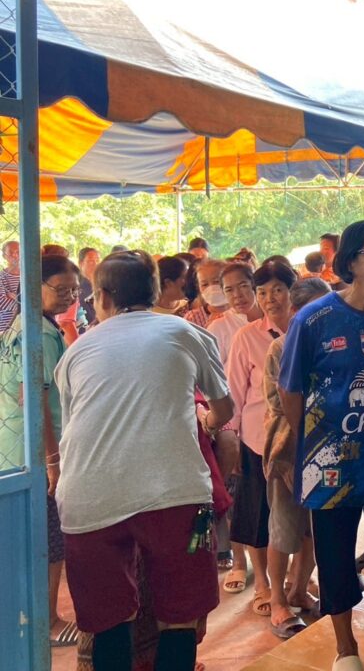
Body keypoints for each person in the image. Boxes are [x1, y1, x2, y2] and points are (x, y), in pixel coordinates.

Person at [55, 250, 234, 671]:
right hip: (174, 491)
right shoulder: (186, 332)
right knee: (180, 616)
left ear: (102, 297)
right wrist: (204, 421)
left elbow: (72, 427)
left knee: (109, 619)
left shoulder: (76, 352)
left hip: (88, 498)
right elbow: (223, 410)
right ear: (155, 293)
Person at [280, 220, 364, 671]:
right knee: (334, 556)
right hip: (329, 462)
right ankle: (345, 648)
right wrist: (317, 439)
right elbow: (290, 391)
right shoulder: (312, 320)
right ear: (351, 261)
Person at [0, 255, 80, 646]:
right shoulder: (43, 335)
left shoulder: (21, 325)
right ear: (35, 287)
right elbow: (36, 399)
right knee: (50, 542)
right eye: (60, 289)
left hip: (13, 446)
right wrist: (53, 462)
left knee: (26, 539)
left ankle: (25, 615)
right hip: (36, 451)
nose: (69, 296)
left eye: (74, 289)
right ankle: (47, 620)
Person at [224, 261, 296, 622]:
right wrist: (233, 438)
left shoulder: (306, 330)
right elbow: (234, 392)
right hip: (257, 440)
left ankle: (297, 581)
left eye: (278, 290)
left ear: (292, 291)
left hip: (299, 442)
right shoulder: (246, 336)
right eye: (263, 292)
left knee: (296, 518)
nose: (270, 299)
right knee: (258, 516)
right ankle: (264, 585)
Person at [263, 278, 331, 638]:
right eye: (315, 310)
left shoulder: (334, 345)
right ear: (297, 312)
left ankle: (299, 589)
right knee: (284, 529)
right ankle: (277, 599)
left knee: (314, 531)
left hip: (327, 452)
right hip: (288, 451)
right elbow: (278, 402)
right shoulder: (281, 347)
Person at [208, 261, 263, 592]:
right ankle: (240, 562)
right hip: (233, 420)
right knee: (239, 496)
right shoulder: (220, 328)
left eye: (243, 286)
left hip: (264, 421)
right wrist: (230, 429)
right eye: (229, 290)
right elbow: (217, 383)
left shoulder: (274, 320)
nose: (237, 295)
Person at [183, 259, 230, 330]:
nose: (211, 288)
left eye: (216, 281)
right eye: (204, 284)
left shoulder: (241, 312)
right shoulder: (192, 318)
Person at [0, 240, 20, 333]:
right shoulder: (1, 277)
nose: (15, 255)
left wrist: (13, 296)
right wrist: (22, 301)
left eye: (18, 252)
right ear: (4, 256)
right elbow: (2, 303)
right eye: (11, 252)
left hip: (24, 325)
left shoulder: (29, 276)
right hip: (4, 327)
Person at [77, 247, 101, 326]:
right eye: (91, 261)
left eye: (97, 260)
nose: (95, 264)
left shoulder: (101, 284)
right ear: (81, 264)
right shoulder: (77, 287)